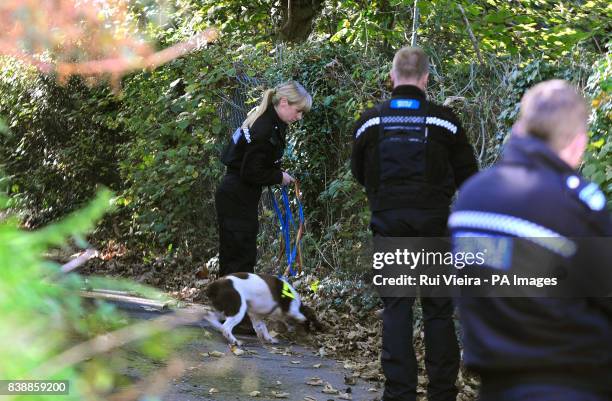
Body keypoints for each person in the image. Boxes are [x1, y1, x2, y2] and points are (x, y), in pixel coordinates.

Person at [448, 80, 612, 401]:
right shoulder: (578, 204)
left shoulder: (470, 198)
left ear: (519, 129)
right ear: (578, 144)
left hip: (494, 384)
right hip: (574, 385)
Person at [351, 47, 478, 401]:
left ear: (392, 78)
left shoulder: (370, 121)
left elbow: (359, 172)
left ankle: (399, 393)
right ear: (425, 79)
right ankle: (441, 393)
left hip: (389, 227)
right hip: (435, 229)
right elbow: (470, 177)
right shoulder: (445, 122)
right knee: (438, 310)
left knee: (396, 307)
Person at [216, 81, 312, 278]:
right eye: (298, 110)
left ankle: (230, 301)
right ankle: (233, 303)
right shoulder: (264, 127)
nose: (299, 116)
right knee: (240, 254)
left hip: (240, 194)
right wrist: (278, 176)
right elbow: (250, 171)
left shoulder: (273, 122)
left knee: (239, 250)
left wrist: (276, 172)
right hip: (236, 194)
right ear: (284, 102)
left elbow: (258, 162)